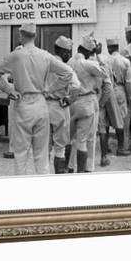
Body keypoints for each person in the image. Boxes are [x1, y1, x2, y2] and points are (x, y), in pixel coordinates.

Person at [0, 23, 74, 175]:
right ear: (35, 36)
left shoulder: (15, 56)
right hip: (41, 103)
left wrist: (9, 90)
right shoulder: (45, 55)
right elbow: (68, 73)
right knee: (41, 155)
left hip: (23, 104)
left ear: (21, 35)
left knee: (21, 153)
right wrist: (50, 89)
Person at [67, 35, 108, 173]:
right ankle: (83, 171)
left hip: (72, 103)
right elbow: (105, 73)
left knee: (70, 138)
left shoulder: (69, 62)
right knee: (84, 140)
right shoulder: (88, 63)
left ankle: (69, 167)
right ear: (89, 52)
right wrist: (98, 56)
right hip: (87, 102)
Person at [44, 36, 80, 174]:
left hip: (43, 107)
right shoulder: (66, 68)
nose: (69, 55)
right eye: (69, 52)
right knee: (60, 148)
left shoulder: (44, 64)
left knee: (43, 147)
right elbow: (76, 88)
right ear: (64, 52)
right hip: (59, 107)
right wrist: (70, 100)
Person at [107, 37, 131, 153]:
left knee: (106, 117)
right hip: (120, 89)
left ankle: (105, 147)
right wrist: (129, 96)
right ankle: (121, 147)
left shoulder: (105, 60)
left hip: (108, 89)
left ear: (110, 48)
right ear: (117, 47)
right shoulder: (125, 61)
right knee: (121, 118)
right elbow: (128, 81)